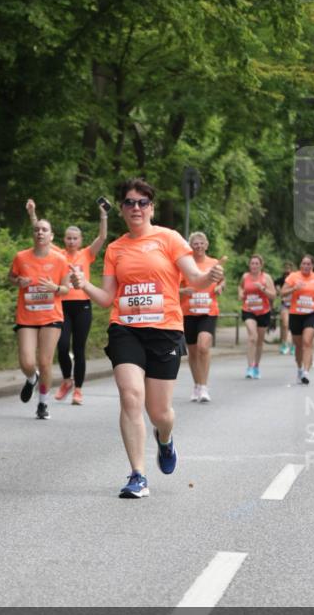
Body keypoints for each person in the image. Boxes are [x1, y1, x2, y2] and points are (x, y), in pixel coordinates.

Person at [68, 177, 225, 499]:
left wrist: (208, 277)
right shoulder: (116, 248)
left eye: (142, 202)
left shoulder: (168, 239)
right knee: (130, 395)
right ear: (122, 209)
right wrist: (83, 284)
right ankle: (137, 474)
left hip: (164, 330)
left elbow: (194, 279)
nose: (135, 208)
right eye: (129, 202)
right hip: (125, 328)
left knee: (160, 413)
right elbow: (107, 298)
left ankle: (164, 440)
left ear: (151, 207)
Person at [27, 199, 108, 405]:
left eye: (75, 238)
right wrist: (33, 214)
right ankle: (66, 380)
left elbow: (102, 237)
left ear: (80, 240)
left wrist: (103, 215)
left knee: (79, 348)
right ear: (64, 239)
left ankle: (78, 389)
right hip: (62, 305)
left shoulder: (86, 254)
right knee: (62, 346)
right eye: (68, 238)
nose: (71, 241)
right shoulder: (59, 254)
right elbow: (40, 235)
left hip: (82, 306)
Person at [10, 219, 71, 419]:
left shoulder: (60, 260)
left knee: (45, 362)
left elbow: (66, 289)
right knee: (27, 361)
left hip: (51, 316)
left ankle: (43, 403)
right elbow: (11, 277)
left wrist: (54, 288)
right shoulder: (21, 257)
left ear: (51, 236)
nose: (40, 232)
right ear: (33, 234)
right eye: (36, 229)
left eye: (44, 230)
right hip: (27, 315)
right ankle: (31, 377)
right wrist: (19, 281)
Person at [180, 231, 224, 402]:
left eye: (201, 243)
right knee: (192, 352)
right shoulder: (185, 265)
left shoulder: (214, 263)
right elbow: (173, 288)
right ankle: (197, 385)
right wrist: (183, 291)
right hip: (189, 312)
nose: (198, 246)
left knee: (203, 347)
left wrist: (221, 287)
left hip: (208, 311)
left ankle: (204, 387)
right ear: (191, 246)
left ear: (206, 245)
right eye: (195, 243)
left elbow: (221, 281)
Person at [280, 255, 314, 384]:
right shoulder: (293, 277)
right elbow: (282, 292)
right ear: (300, 265)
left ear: (312, 266)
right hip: (296, 313)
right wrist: (294, 288)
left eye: (308, 264)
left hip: (312, 313)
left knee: (307, 341)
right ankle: (300, 368)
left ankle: (306, 372)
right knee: (298, 345)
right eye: (303, 264)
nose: (306, 266)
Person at [239, 255, 276, 378]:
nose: (254, 266)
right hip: (248, 310)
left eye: (256, 263)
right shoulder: (245, 277)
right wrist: (240, 293)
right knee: (252, 337)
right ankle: (249, 367)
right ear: (249, 265)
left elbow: (273, 296)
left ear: (261, 265)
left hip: (263, 312)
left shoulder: (266, 278)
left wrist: (263, 289)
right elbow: (240, 287)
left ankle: (256, 366)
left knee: (259, 341)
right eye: (252, 263)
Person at [273, 261, 294, 354]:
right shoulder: (281, 280)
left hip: (295, 305)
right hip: (285, 305)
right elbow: (273, 284)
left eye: (289, 269)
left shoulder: (295, 279)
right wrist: (277, 290)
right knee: (285, 324)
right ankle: (285, 344)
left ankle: (293, 345)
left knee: (293, 326)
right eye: (285, 269)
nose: (287, 271)